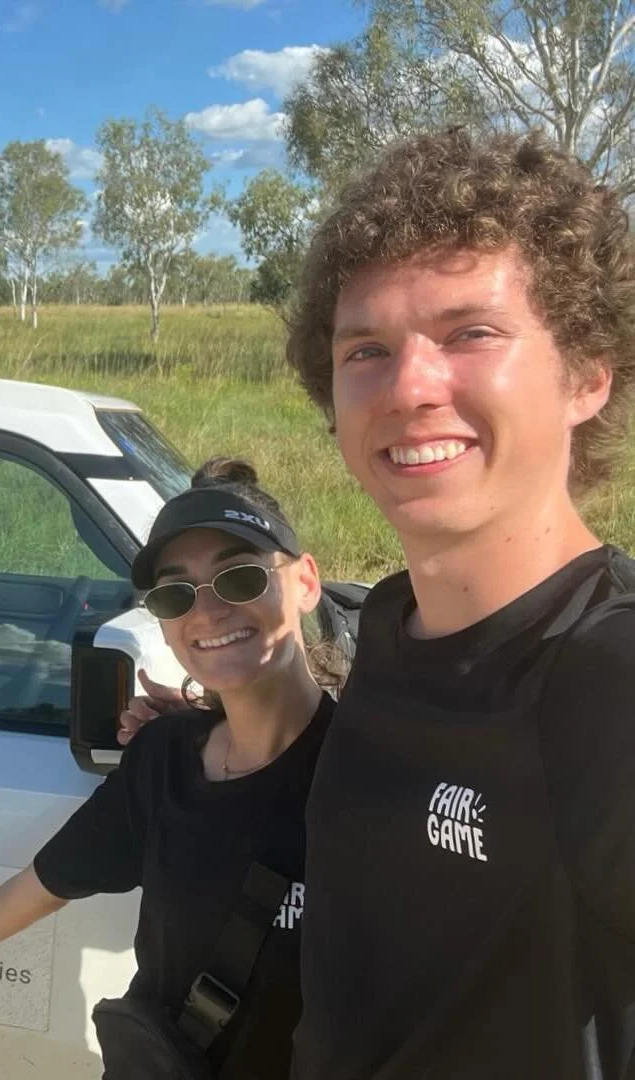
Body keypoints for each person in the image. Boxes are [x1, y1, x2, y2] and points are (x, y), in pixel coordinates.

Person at [284, 128, 635, 1079]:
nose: (409, 387)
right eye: (367, 349)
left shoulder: (607, 675)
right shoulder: (391, 630)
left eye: (470, 332)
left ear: (588, 375)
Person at [0, 458, 340, 1079]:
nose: (206, 613)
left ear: (306, 582)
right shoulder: (165, 757)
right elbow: (54, 878)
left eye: (239, 578)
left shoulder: (368, 773)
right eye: (176, 593)